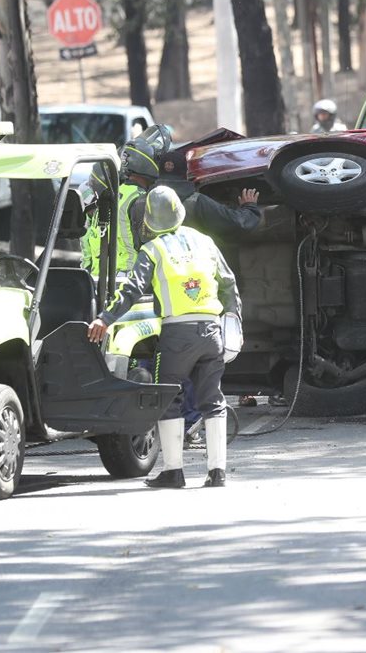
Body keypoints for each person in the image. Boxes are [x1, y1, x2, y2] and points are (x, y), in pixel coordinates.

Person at [87, 186, 241, 489]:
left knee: (167, 397)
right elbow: (229, 283)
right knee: (213, 400)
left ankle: (174, 471)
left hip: (177, 335)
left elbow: (131, 290)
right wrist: (234, 323)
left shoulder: (153, 249)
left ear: (149, 221)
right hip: (212, 332)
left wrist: (104, 319)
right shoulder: (204, 241)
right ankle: (217, 472)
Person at [81, 137, 161, 279]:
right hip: (128, 280)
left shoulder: (109, 196)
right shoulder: (140, 200)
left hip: (99, 279)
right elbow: (150, 247)